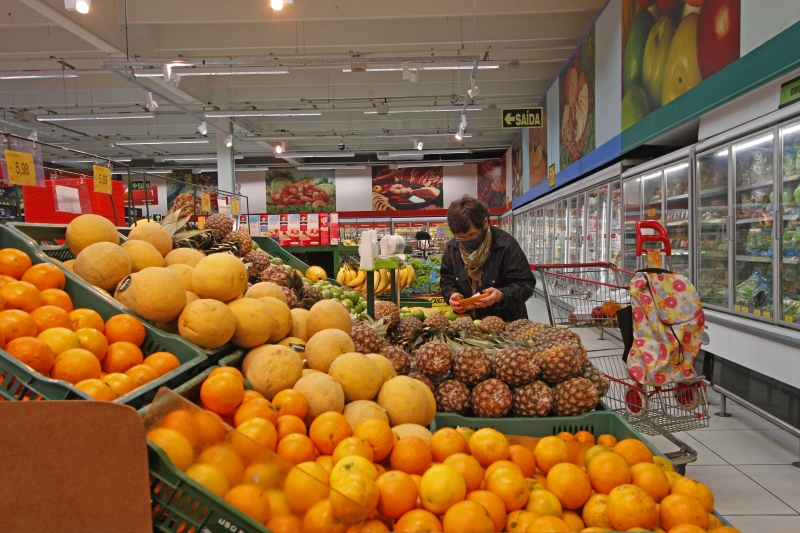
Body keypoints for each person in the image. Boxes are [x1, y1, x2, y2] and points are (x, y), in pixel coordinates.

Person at [440, 195, 536, 321]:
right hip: (467, 325)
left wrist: (501, 295)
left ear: (485, 223)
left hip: (505, 323)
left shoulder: (505, 245)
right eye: (461, 237)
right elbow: (446, 280)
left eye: (473, 235)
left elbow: (526, 285)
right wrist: (451, 295)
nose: (467, 240)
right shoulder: (453, 248)